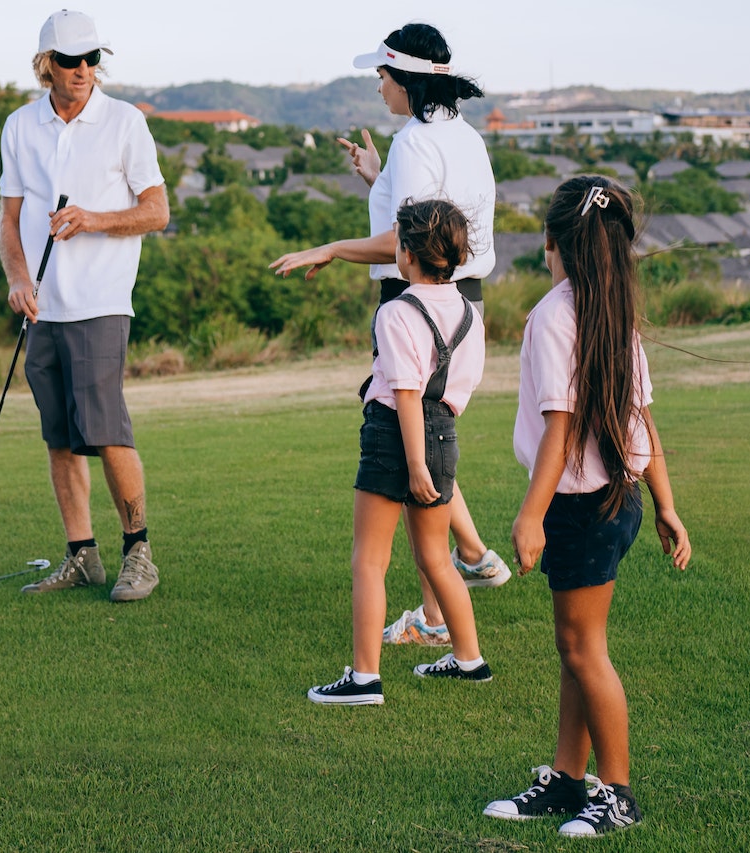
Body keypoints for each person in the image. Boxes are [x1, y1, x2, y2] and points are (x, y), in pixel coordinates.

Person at [269, 22, 510, 647]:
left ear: (404, 78)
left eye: (381, 74)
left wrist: (327, 247)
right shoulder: (465, 139)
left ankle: (445, 605)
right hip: (465, 305)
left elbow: (408, 242)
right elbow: (434, 224)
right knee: (433, 440)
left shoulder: (413, 144)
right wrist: (377, 177)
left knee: (414, 449)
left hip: (414, 304)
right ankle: (467, 568)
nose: (377, 86)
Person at [483, 177, 692, 837]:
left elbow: (561, 425)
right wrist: (665, 504)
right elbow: (644, 420)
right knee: (574, 646)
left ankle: (618, 791)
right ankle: (568, 778)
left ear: (552, 243)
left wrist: (527, 514)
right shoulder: (612, 310)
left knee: (582, 647)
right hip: (619, 501)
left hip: (580, 506)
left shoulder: (554, 314)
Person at [0, 10, 169, 602]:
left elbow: (157, 211)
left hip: (100, 302)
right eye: (70, 61)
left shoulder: (125, 122)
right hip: (44, 308)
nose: (83, 71)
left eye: (92, 59)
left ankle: (138, 552)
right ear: (46, 65)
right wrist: (18, 279)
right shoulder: (20, 126)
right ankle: (81, 555)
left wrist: (92, 219)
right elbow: (10, 217)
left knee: (106, 428)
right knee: (60, 437)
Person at [306, 199, 493, 705]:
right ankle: (469, 659)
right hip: (443, 432)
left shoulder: (395, 311)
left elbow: (406, 392)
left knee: (369, 560)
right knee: (436, 559)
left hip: (395, 435)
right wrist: (433, 447)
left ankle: (364, 678)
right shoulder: (470, 315)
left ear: (406, 255)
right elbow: (461, 385)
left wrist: (412, 463)